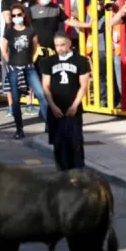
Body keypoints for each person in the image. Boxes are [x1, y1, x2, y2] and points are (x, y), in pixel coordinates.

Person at [41, 32, 91, 171]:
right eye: (57, 45)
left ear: (69, 43)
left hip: (73, 107)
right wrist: (52, 106)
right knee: (58, 143)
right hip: (56, 107)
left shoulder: (81, 61)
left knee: (75, 141)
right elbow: (45, 85)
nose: (59, 48)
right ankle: (61, 174)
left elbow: (84, 85)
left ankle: (78, 173)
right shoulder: (48, 62)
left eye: (62, 45)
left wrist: (75, 105)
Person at [1, 4, 49, 140]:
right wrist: (10, 62)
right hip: (14, 69)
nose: (17, 17)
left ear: (24, 15)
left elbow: (35, 48)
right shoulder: (9, 32)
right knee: (15, 100)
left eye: (19, 15)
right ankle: (19, 129)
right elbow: (4, 50)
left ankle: (48, 124)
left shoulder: (30, 31)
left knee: (41, 95)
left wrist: (29, 60)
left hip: (29, 67)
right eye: (14, 15)